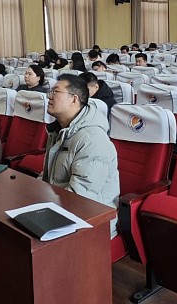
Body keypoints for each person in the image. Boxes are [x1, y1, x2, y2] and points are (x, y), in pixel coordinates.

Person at [42, 74, 119, 238]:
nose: (49, 96)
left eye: (56, 92)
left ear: (74, 99)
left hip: (91, 220)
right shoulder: (60, 131)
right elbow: (48, 176)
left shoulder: (91, 139)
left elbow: (80, 197)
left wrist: (41, 209)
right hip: (62, 208)